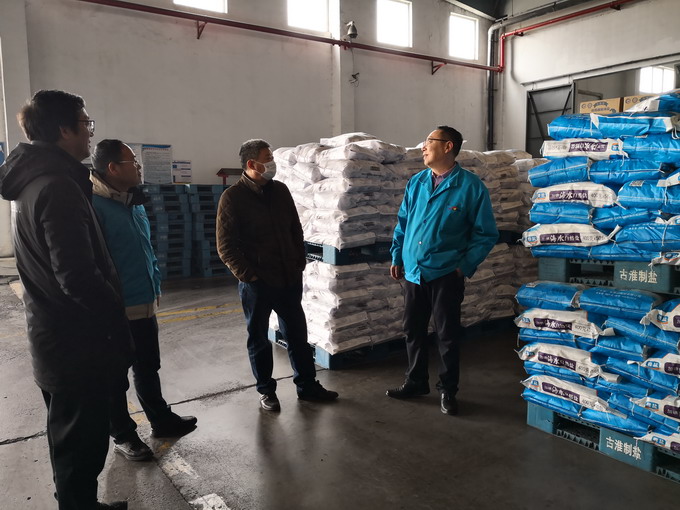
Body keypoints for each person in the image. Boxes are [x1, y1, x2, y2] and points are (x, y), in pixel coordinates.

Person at [0, 90, 131, 509]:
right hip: (77, 345)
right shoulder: (58, 187)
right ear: (64, 130)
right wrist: (115, 319)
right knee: (82, 444)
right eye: (86, 123)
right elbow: (77, 277)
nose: (91, 132)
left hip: (53, 337)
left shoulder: (32, 182)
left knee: (69, 441)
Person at [90, 139, 198, 462]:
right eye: (133, 162)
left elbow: (145, 249)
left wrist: (155, 283)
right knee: (115, 378)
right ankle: (123, 435)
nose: (139, 167)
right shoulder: (93, 207)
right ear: (112, 168)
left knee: (148, 366)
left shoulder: (133, 202)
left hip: (145, 301)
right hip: (115, 310)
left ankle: (160, 420)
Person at [216, 139, 338, 411]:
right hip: (257, 283)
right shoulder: (233, 197)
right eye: (267, 158)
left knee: (297, 335)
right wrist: (249, 276)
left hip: (288, 278)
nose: (272, 163)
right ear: (252, 164)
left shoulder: (280, 191)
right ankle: (266, 391)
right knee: (259, 339)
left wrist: (298, 262)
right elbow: (225, 246)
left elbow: (295, 228)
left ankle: (307, 386)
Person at [387, 125, 498, 416]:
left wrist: (464, 267)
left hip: (446, 274)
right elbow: (403, 223)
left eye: (429, 142)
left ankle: (448, 389)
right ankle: (415, 381)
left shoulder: (470, 187)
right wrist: (397, 254)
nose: (423, 147)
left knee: (446, 335)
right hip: (414, 272)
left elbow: (486, 234)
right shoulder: (417, 183)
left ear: (448, 147)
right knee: (413, 330)